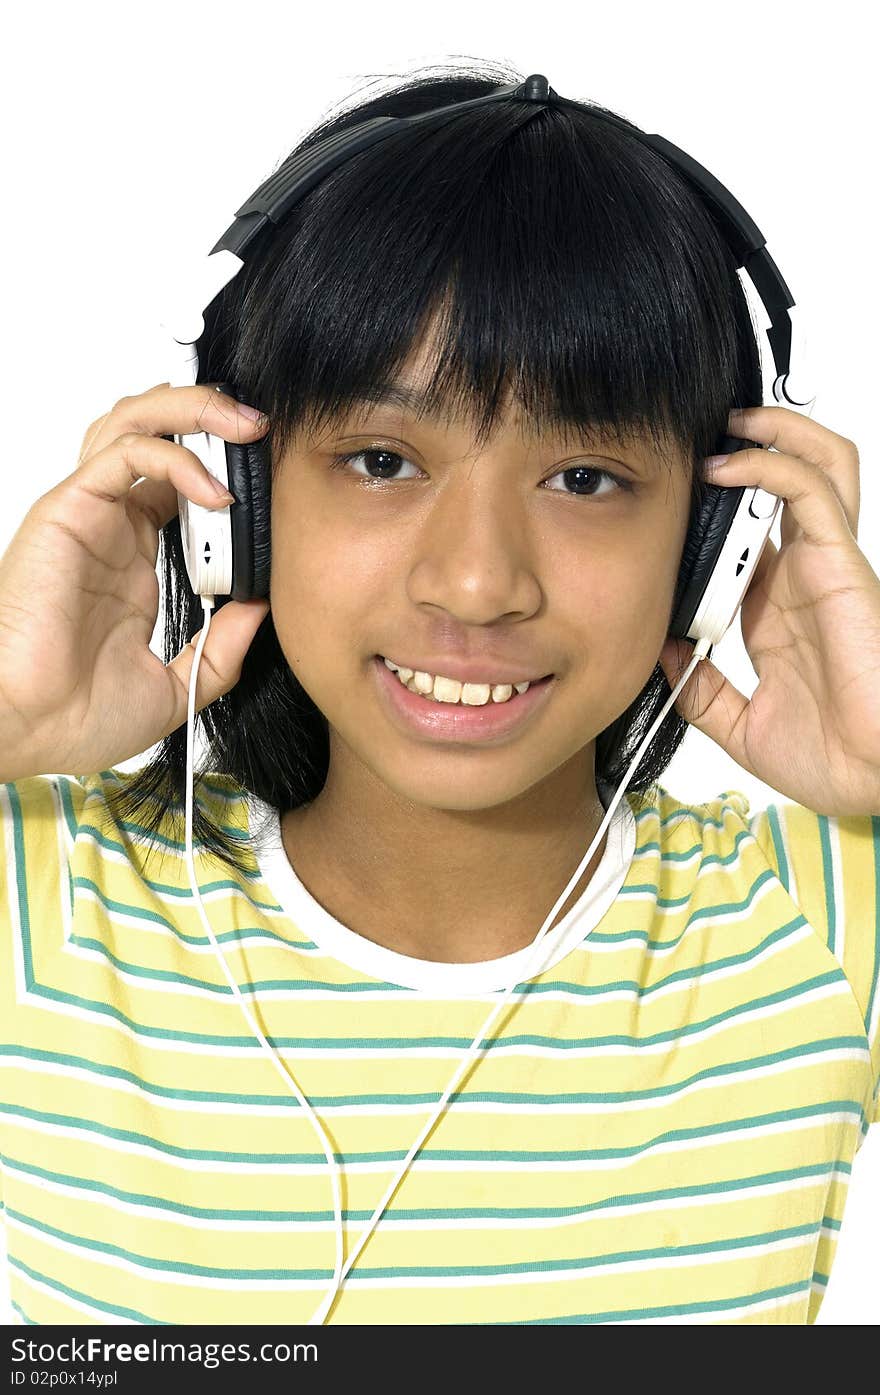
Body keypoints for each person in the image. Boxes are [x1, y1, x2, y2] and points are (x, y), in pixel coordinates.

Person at [0, 59, 877, 1328]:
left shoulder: (822, 927)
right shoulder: (50, 908)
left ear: (716, 543)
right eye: (378, 458)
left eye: (584, 479)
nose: (475, 584)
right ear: (227, 510)